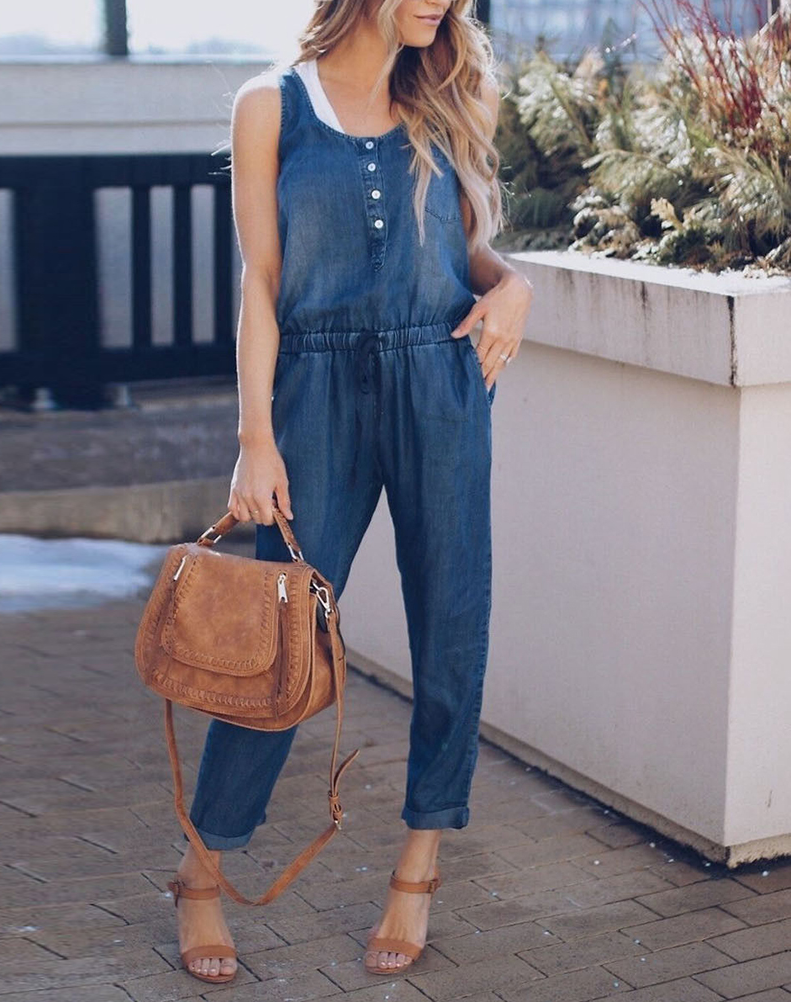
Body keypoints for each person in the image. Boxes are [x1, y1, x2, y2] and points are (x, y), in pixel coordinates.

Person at [166, 0, 534, 984]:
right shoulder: (270, 105)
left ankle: (419, 865)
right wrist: (254, 439)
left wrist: (514, 286)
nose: (443, 3)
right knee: (280, 641)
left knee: (451, 621)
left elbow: (462, 255)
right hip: (315, 392)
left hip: (438, 382)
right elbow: (262, 280)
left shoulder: (446, 99)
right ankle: (202, 872)